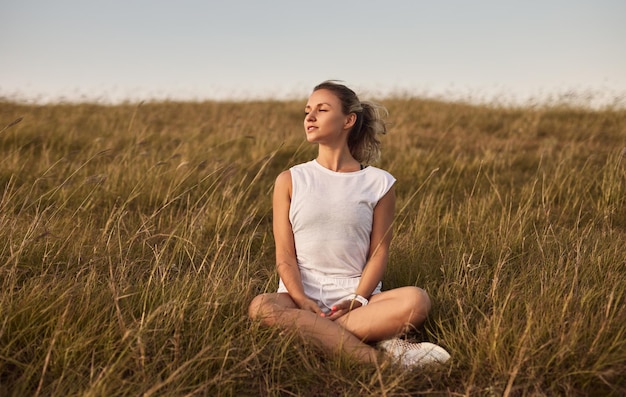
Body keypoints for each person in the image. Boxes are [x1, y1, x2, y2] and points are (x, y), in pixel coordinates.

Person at [248, 81, 450, 368]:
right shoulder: (290, 180)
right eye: (308, 111)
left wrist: (357, 299)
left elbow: (378, 252)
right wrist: (302, 300)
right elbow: (285, 256)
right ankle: (381, 360)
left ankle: (316, 336)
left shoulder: (379, 183)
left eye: (322, 109)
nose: (310, 117)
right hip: (298, 297)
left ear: (348, 120)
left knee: (417, 300)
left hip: (358, 298)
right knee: (261, 307)